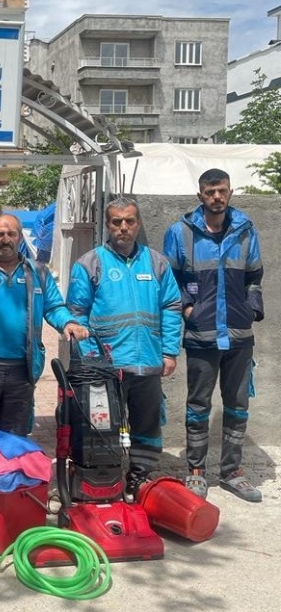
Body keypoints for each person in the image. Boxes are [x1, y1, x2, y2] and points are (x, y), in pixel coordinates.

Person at [0, 213, 89, 504]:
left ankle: (9, 482)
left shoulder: (38, 273)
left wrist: (67, 323)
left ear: (20, 238)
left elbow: (55, 307)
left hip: (22, 369)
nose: (6, 239)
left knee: (16, 431)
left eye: (11, 233)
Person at [66, 197, 182, 498]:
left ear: (138, 224)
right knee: (103, 427)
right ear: (108, 225)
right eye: (116, 221)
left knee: (147, 424)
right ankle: (107, 480)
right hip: (106, 367)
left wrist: (169, 352)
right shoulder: (90, 263)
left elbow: (171, 307)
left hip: (147, 363)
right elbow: (77, 314)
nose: (123, 227)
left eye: (129, 221)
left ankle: (140, 479)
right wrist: (92, 359)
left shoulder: (156, 263)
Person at [163, 169, 264, 502]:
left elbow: (254, 277)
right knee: (198, 405)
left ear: (231, 192)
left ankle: (232, 471)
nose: (216, 197)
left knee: (237, 405)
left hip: (239, 335)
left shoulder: (246, 230)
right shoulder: (181, 233)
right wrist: (189, 309)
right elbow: (171, 280)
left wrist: (251, 309)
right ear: (200, 196)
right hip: (201, 335)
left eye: (221, 191)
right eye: (210, 192)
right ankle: (196, 471)